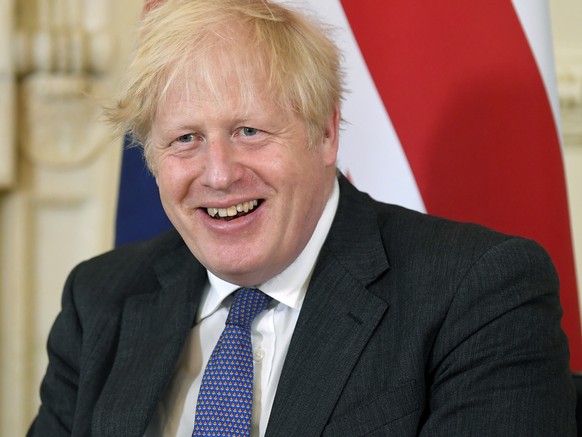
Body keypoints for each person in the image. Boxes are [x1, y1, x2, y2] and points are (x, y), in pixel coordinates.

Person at [28, 0, 576, 435]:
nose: (218, 174)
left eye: (249, 131)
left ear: (327, 132)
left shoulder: (479, 293)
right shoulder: (101, 299)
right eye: (185, 139)